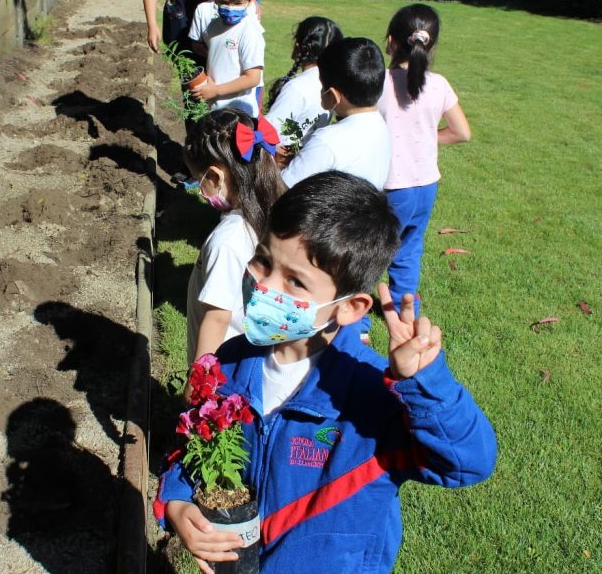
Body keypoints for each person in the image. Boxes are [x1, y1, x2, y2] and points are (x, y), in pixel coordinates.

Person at [155, 171, 497, 573]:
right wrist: (177, 501)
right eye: (263, 260)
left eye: (295, 281)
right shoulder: (230, 362)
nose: (263, 285)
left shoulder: (376, 400)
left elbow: (469, 462)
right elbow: (193, 445)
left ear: (349, 309)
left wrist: (424, 383)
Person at [379, 4, 471, 315]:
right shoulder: (440, 84)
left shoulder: (378, 82)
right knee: (409, 250)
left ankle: (359, 325)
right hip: (426, 186)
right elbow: (462, 132)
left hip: (391, 185)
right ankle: (406, 313)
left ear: (391, 41)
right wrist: (425, 136)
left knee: (371, 249)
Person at [183, 108, 284, 365]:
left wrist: (198, 383)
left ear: (215, 176)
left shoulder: (226, 241)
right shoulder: (277, 211)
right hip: (248, 356)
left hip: (222, 366)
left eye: (198, 180)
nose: (199, 189)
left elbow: (217, 318)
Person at [280, 38, 391, 190]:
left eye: (322, 84)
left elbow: (282, 190)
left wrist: (273, 165)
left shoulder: (326, 141)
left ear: (333, 95)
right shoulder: (380, 125)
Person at [187, 0, 265, 117]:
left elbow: (252, 78)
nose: (230, 8)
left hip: (239, 114)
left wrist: (216, 90)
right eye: (224, 2)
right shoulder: (213, 26)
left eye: (237, 3)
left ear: (250, 1)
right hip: (216, 108)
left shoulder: (249, 31)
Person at [265, 16, 343, 160]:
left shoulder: (297, 88)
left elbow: (266, 134)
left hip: (281, 168)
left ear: (298, 47)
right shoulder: (334, 84)